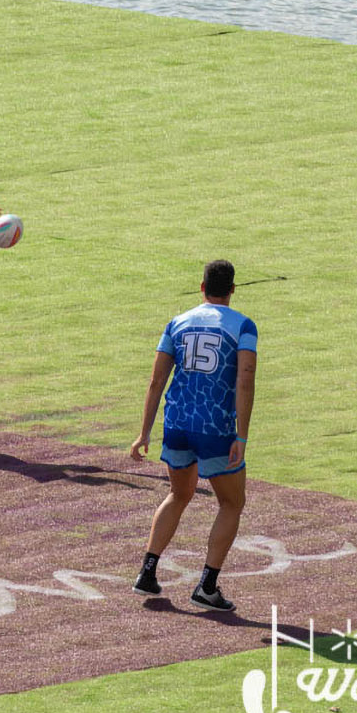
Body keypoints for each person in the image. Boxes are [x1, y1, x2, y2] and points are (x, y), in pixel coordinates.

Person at [127, 260, 258, 614]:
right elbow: (245, 381)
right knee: (231, 503)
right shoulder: (243, 326)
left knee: (179, 493)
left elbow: (156, 381)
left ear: (201, 287)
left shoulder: (177, 322)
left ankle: (147, 571)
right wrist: (241, 437)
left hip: (178, 422)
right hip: (215, 426)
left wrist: (143, 433)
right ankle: (207, 585)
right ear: (233, 289)